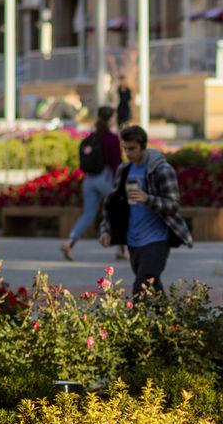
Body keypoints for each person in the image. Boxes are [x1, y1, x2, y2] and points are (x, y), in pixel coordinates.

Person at [99, 126, 193, 295]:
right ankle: (167, 318)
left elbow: (173, 205)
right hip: (133, 240)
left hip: (157, 240)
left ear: (143, 146)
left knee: (142, 285)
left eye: (132, 148)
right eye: (125, 148)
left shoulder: (161, 170)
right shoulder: (124, 170)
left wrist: (147, 198)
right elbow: (112, 204)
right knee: (152, 287)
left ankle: (133, 320)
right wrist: (106, 230)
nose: (128, 153)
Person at [62, 109, 126, 262]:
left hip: (89, 179)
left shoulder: (91, 136)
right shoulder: (110, 138)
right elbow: (115, 163)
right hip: (105, 178)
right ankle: (121, 249)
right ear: (110, 118)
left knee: (88, 214)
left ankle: (70, 242)